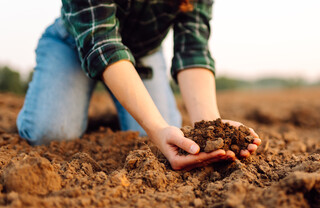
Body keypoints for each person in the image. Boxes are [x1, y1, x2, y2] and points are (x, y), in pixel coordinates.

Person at [17, 0, 261, 170]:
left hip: (142, 52)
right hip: (73, 43)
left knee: (163, 136)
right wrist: (157, 127)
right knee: (49, 132)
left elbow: (192, 49)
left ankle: (115, 113)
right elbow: (102, 44)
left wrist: (211, 127)